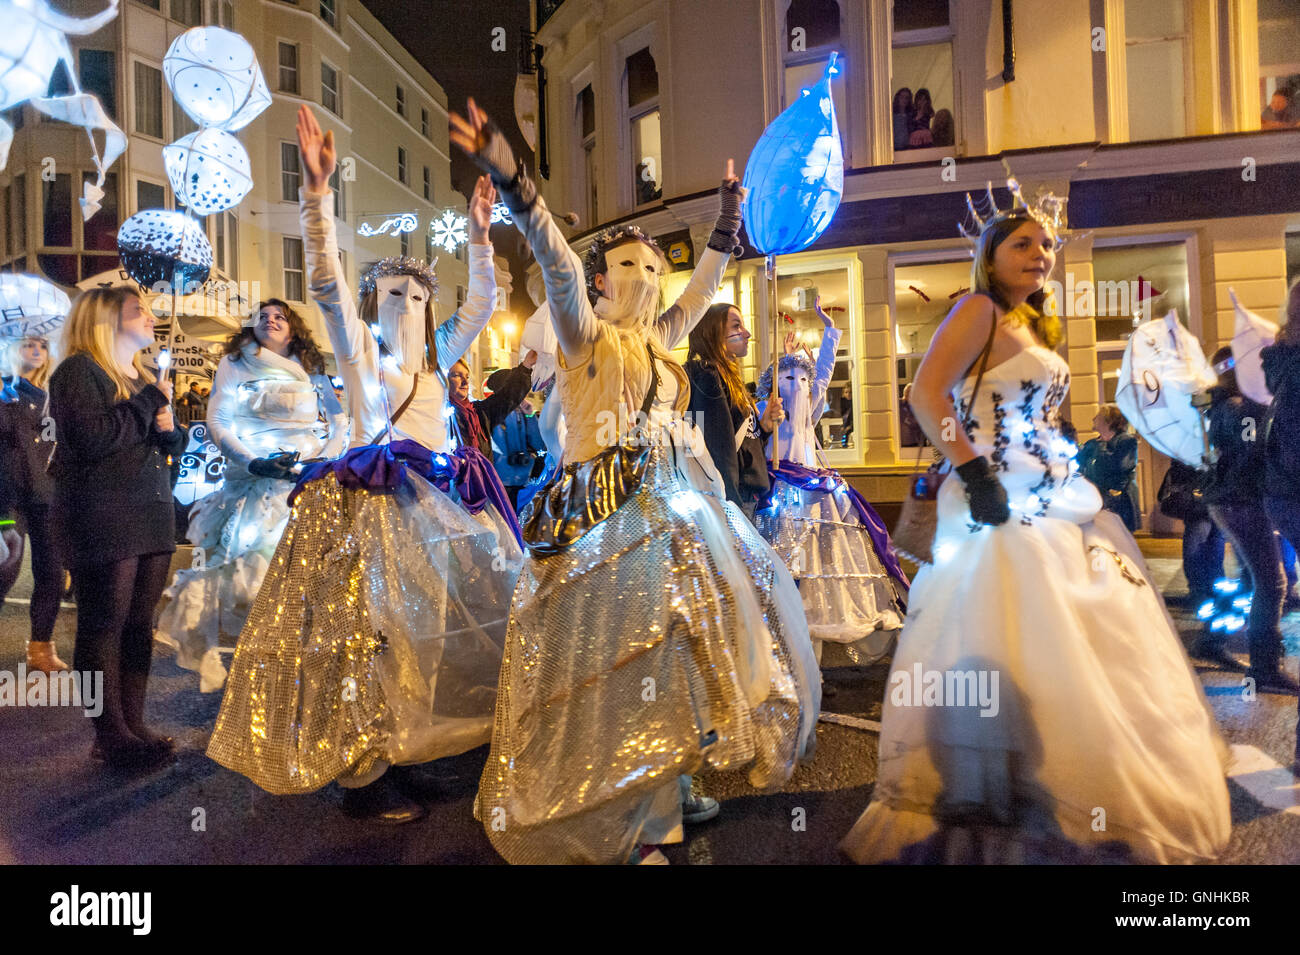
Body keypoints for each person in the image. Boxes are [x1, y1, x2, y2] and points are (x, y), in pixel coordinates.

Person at [453, 97, 819, 865]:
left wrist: (727, 221)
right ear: (599, 278)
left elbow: (704, 288)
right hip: (598, 519)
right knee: (606, 662)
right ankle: (628, 813)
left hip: (671, 511)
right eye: (628, 264)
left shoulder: (660, 339)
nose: (647, 276)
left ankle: (666, 776)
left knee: (675, 647)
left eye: (654, 266)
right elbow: (554, 256)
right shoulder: (584, 334)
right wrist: (515, 177)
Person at [840, 187, 1230, 863]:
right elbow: (925, 393)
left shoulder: (1034, 324)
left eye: (1047, 244)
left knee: (1075, 636)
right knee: (1009, 631)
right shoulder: (977, 309)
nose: (1040, 254)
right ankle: (1002, 785)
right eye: (1022, 242)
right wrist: (975, 471)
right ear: (989, 255)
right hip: (997, 506)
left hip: (1055, 496)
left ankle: (1058, 779)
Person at [208, 105, 522, 825]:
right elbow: (323, 279)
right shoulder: (360, 354)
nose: (407, 306)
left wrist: (478, 232)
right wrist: (316, 194)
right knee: (366, 643)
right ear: (375, 301)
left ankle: (409, 753)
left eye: (417, 295)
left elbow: (483, 299)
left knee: (422, 642)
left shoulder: (443, 350)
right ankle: (364, 777)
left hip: (435, 508)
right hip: (371, 514)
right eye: (393, 295)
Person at [154, 300, 348, 691]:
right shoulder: (235, 362)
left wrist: (322, 459)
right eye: (264, 316)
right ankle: (259, 676)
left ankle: (292, 676)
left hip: (302, 487)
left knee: (305, 586)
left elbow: (339, 419)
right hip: (253, 487)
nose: (271, 320)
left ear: (293, 328)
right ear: (252, 327)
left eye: (280, 316)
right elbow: (219, 422)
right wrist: (254, 461)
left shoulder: (311, 368)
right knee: (252, 587)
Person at [49, 286, 187, 770]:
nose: (150, 318)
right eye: (138, 311)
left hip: (150, 511)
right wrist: (149, 401)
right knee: (103, 622)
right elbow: (93, 438)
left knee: (139, 624)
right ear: (105, 319)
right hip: (103, 512)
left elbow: (165, 446)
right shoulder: (78, 372)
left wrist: (172, 428)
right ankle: (109, 734)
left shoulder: (144, 374)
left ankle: (134, 722)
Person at [752, 299, 910, 663]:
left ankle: (814, 646)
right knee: (783, 568)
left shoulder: (813, 409)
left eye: (803, 380)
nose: (798, 385)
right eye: (789, 378)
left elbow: (823, 371)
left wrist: (828, 331)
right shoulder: (767, 410)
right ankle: (781, 644)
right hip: (778, 492)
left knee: (820, 568)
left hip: (814, 490)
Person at [1198, 346, 1296, 688]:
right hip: (1241, 503)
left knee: (1250, 578)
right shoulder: (1242, 408)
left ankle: (1211, 640)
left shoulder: (1221, 405)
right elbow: (1250, 455)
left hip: (1228, 502)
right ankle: (1265, 669)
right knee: (1273, 583)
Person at [0, 335, 68, 674]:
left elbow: (58, 446)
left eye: (42, 345)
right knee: (4, 571)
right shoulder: (3, 391)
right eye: (29, 345)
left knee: (51, 572)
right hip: (8, 498)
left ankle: (41, 650)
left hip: (46, 496)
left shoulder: (50, 398)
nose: (38, 351)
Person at [684, 302, 779, 514]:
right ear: (713, 333)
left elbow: (742, 444)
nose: (747, 333)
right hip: (733, 501)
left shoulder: (728, 379)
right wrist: (730, 509)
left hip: (744, 498)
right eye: (736, 326)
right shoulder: (709, 377)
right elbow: (719, 450)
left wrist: (764, 427)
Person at [447, 349, 536, 466]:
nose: (465, 382)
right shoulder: (440, 414)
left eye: (467, 377)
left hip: (482, 480)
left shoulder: (479, 412)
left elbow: (507, 397)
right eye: (457, 376)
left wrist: (526, 366)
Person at [1158, 459, 1224, 612]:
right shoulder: (1206, 441)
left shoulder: (1189, 441)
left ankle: (1202, 591)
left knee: (1203, 543)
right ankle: (1207, 590)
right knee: (1206, 541)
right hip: (1206, 498)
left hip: (1209, 497)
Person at [1077, 403, 1140, 531]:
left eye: (1098, 416)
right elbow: (1080, 465)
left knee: (1119, 540)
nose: (1093, 419)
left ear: (1109, 421)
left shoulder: (1126, 441)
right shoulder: (1092, 443)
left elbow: (1119, 466)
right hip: (1096, 499)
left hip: (1118, 501)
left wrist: (1101, 447)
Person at [491, 371, 548, 512]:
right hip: (499, 482)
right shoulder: (490, 412)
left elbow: (539, 444)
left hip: (523, 480)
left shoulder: (522, 412)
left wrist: (530, 415)